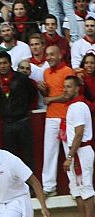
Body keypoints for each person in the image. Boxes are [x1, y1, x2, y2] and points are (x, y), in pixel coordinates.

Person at [39, 45, 76, 197]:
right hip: (51, 117)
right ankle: (49, 187)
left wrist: (50, 99)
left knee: (70, 152)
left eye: (52, 54)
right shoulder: (46, 72)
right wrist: (42, 90)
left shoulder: (68, 71)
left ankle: (75, 187)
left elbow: (69, 95)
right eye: (47, 55)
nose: (49, 57)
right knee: (49, 152)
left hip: (66, 117)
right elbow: (49, 93)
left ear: (60, 55)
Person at [60, 75, 95, 217]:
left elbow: (79, 134)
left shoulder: (79, 106)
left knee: (86, 186)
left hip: (81, 151)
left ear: (76, 88)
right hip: (76, 151)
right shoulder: (73, 106)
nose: (65, 90)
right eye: (64, 86)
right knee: (77, 186)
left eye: (68, 86)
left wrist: (69, 157)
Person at [0, 52, 35, 170]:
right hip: (6, 123)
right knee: (10, 156)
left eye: (5, 63)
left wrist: (24, 107)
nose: (2, 66)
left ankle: (30, 186)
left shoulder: (22, 78)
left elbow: (32, 94)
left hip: (22, 121)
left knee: (27, 155)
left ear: (10, 63)